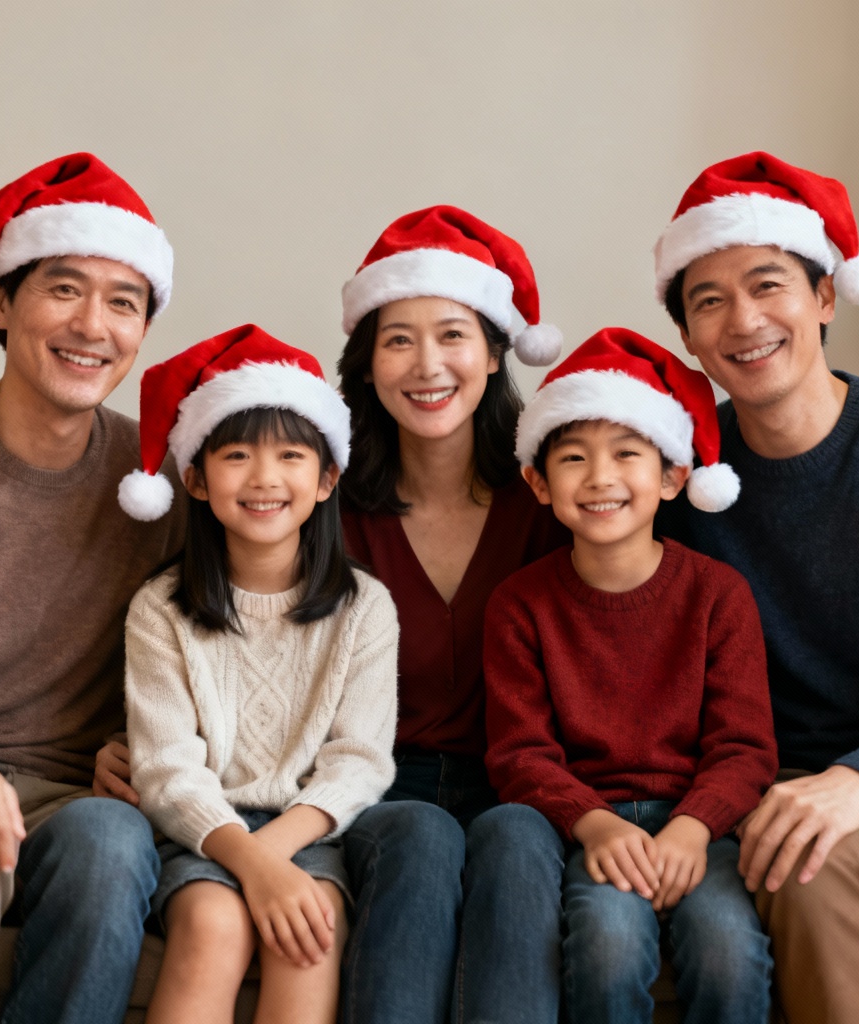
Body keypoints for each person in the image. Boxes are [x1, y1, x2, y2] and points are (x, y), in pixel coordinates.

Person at [0, 152, 183, 1024]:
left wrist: (147, 742)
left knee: (113, 842)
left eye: (123, 302)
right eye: (63, 289)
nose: (92, 325)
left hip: (71, 797)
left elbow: (230, 646)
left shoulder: (161, 483)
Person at [654, 150, 859, 1024]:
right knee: (803, 867)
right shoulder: (679, 487)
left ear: (826, 297)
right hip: (793, 785)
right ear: (690, 340)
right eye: (709, 301)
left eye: (769, 285)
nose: (744, 320)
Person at [484, 326, 777, 1024]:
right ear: (538, 481)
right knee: (608, 945)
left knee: (729, 949)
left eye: (627, 455)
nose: (600, 478)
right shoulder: (519, 604)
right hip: (591, 825)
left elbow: (746, 746)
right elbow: (520, 754)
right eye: (575, 458)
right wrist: (593, 825)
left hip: (705, 828)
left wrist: (695, 828)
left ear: (674, 475)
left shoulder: (717, 594)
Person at [120, 324, 399, 1024]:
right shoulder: (162, 608)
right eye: (237, 454)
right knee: (214, 924)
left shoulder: (366, 608)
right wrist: (245, 858)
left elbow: (358, 762)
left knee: (308, 934)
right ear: (196, 477)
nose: (265, 478)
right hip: (200, 830)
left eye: (291, 456)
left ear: (327, 477)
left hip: (308, 832)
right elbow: (165, 769)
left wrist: (271, 856)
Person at [336, 205, 568, 1024]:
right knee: (422, 841)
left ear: (497, 350)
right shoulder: (320, 501)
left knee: (516, 837)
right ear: (365, 363)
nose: (426, 364)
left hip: (524, 787)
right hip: (369, 789)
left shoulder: (557, 493)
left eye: (453, 335)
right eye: (397, 339)